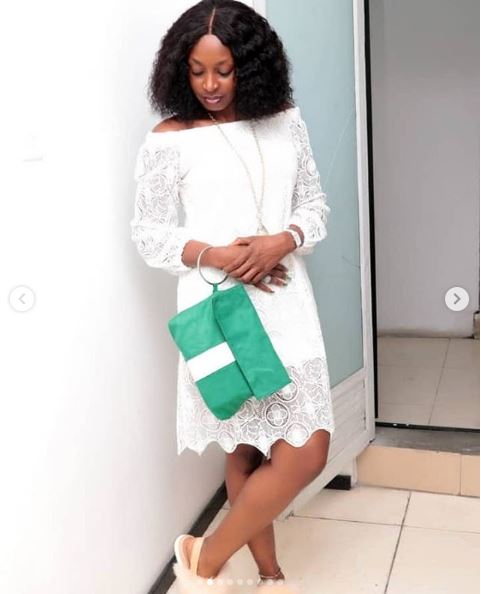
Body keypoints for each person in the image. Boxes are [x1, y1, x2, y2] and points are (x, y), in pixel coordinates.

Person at [130, 1, 335, 591]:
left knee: (305, 449)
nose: (211, 85)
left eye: (224, 70)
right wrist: (219, 254)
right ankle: (272, 577)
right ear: (179, 69)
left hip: (287, 302)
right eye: (197, 71)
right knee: (245, 447)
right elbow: (148, 234)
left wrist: (282, 241)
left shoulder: (285, 121)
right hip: (219, 306)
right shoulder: (170, 140)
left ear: (251, 65)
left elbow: (314, 206)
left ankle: (203, 559)